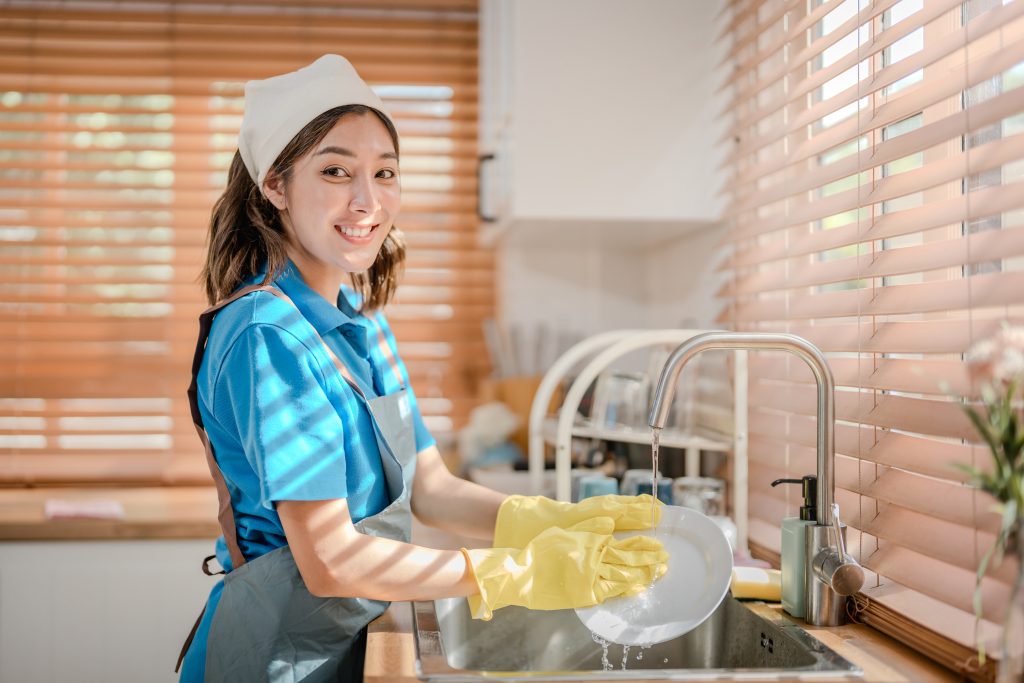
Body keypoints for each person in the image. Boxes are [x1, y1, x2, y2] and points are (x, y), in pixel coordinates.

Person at [176, 54, 667, 683]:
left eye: (385, 172)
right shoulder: (264, 336)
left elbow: (430, 487)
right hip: (275, 661)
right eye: (335, 171)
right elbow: (328, 559)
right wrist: (510, 572)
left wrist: (543, 518)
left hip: (345, 640)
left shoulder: (362, 321)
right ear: (275, 186)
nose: (367, 200)